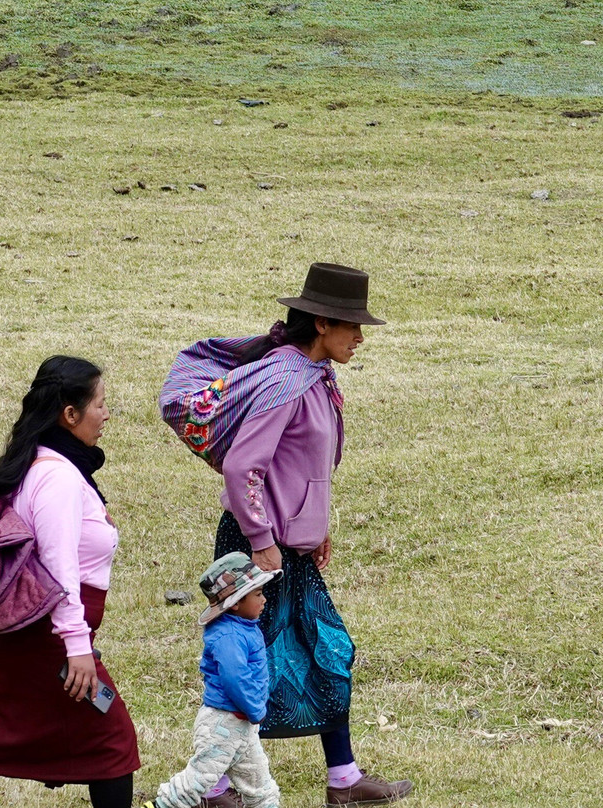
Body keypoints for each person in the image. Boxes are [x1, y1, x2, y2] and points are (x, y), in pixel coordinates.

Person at [207, 263, 413, 807]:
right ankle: (215, 785)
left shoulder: (316, 377)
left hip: (286, 544)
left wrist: (312, 526)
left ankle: (342, 778)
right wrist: (260, 538)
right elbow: (242, 467)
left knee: (328, 650)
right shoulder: (285, 378)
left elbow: (303, 465)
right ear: (322, 323)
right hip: (257, 548)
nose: (361, 338)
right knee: (249, 660)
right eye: (353, 326)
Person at [0, 355, 140, 808]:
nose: (107, 415)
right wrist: (77, 647)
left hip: (32, 633)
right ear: (70, 414)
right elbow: (60, 567)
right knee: (113, 744)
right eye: (101, 404)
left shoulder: (41, 464)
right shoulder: (56, 476)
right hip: (50, 638)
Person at [143, 552, 282, 808]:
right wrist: (255, 708)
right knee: (199, 780)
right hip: (223, 724)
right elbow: (235, 678)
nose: (264, 599)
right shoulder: (228, 635)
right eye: (258, 593)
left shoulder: (243, 626)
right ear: (236, 602)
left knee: (260, 785)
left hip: (242, 726)